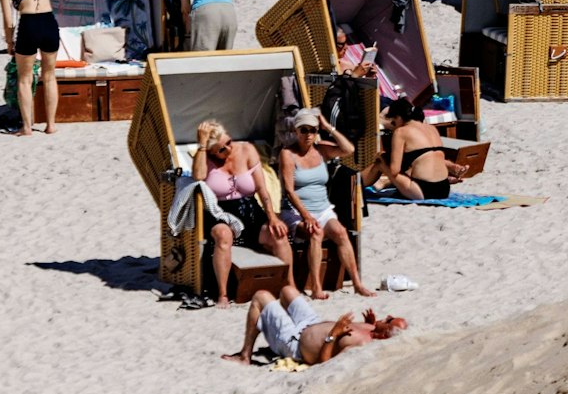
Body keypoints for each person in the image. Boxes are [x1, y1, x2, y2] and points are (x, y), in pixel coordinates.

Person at [194, 118, 293, 304]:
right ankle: (223, 293)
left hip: (250, 211)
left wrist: (272, 217)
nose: (229, 149)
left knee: (278, 233)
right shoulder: (204, 159)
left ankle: (290, 285)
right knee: (223, 235)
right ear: (211, 151)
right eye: (221, 149)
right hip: (221, 213)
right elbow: (198, 176)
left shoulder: (246, 149)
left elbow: (262, 189)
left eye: (229, 142)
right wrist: (201, 146)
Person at [278, 108, 365, 299]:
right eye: (304, 130)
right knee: (315, 233)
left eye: (313, 130)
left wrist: (328, 127)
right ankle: (316, 287)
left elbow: (348, 149)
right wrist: (306, 215)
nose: (308, 135)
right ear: (296, 131)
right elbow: (289, 190)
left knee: (341, 233)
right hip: (296, 211)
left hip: (323, 208)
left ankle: (357, 284)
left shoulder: (321, 149)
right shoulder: (288, 154)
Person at [221, 285, 404, 366]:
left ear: (384, 335)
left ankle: (245, 356)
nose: (387, 316)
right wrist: (369, 324)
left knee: (261, 296)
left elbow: (324, 364)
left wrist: (333, 333)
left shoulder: (361, 346)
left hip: (295, 342)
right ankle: (273, 323)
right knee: (287, 291)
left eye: (389, 320)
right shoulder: (372, 330)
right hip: (311, 322)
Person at [0, 0, 59, 136]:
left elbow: (8, 21)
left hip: (30, 25)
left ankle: (27, 128)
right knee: (50, 76)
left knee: (25, 79)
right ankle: (51, 125)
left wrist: (9, 43)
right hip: (50, 22)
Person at [370, 96, 469, 200]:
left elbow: (394, 170)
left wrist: (382, 159)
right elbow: (429, 157)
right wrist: (453, 167)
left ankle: (360, 186)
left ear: (399, 117)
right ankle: (382, 183)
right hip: (444, 189)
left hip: (422, 190)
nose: (394, 126)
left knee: (380, 163)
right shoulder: (432, 128)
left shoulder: (401, 132)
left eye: (393, 122)